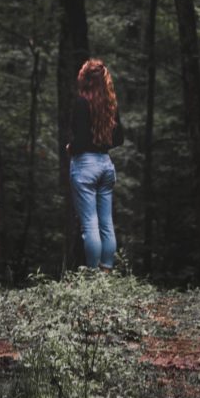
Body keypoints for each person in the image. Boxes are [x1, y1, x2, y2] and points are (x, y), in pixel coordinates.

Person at [67, 58, 124, 271]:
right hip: (106, 166)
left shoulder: (81, 103)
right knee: (106, 224)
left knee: (90, 223)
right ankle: (106, 271)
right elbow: (119, 139)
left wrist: (70, 147)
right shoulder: (110, 106)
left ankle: (92, 274)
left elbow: (80, 141)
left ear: (85, 78)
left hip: (86, 167)